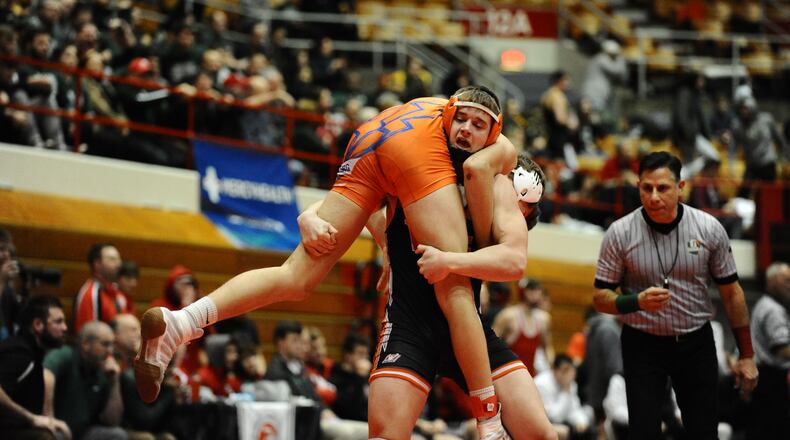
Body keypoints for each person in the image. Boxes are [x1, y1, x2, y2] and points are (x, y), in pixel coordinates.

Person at [135, 86, 518, 436]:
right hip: (406, 153)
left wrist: (313, 214)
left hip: (370, 137)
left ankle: (182, 321)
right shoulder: (498, 149)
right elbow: (471, 170)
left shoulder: (441, 115)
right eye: (464, 122)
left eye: (476, 125)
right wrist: (475, 246)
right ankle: (488, 420)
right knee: (457, 286)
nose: (466, 130)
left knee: (296, 277)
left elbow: (379, 187)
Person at [299, 153, 557, 439]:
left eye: (522, 213)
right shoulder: (442, 182)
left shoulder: (503, 222)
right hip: (409, 328)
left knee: (541, 435)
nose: (512, 214)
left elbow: (513, 263)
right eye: (514, 202)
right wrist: (310, 214)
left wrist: (448, 261)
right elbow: (355, 191)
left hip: (469, 329)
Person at [592, 151, 758, 439]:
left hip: (695, 342)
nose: (654, 196)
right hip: (642, 344)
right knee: (643, 432)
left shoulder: (709, 229)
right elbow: (600, 297)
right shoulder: (619, 233)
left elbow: (732, 293)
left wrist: (746, 355)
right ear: (639, 186)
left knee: (704, 430)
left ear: (681, 188)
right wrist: (636, 301)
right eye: (646, 188)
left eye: (663, 188)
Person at [264, 320, 367, 440]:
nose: (299, 345)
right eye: (294, 340)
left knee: (368, 431)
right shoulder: (275, 371)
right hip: (302, 423)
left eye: (300, 340)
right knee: (347, 434)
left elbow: (313, 395)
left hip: (316, 417)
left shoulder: (299, 368)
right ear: (281, 343)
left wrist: (325, 410)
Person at [0, 295, 71, 440]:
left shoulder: (34, 353)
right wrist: (32, 419)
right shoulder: (18, 354)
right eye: (59, 322)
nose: (65, 328)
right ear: (38, 324)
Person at [44, 321, 125, 440]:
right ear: (86, 344)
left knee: (117, 435)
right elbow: (45, 374)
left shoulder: (103, 371)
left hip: (84, 432)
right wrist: (48, 418)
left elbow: (112, 421)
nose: (110, 351)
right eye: (105, 344)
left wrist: (114, 383)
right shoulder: (65, 355)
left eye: (112, 345)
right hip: (58, 428)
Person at [747, 261, 790, 439]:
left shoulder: (766, 304)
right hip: (772, 380)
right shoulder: (773, 310)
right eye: (786, 281)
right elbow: (781, 349)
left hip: (766, 377)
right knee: (774, 430)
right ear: (772, 281)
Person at [493, 278, 555, 376]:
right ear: (523, 292)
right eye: (531, 290)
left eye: (538, 291)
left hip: (530, 375)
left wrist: (552, 369)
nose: (535, 295)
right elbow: (491, 345)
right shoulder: (508, 316)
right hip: (508, 375)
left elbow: (547, 347)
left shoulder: (544, 319)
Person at [533, 354, 592, 440]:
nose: (568, 374)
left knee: (587, 428)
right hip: (544, 423)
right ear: (554, 370)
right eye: (564, 370)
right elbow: (554, 417)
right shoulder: (541, 384)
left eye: (569, 370)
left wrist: (581, 421)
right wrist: (565, 391)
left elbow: (574, 408)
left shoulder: (570, 383)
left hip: (563, 420)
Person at [73, 243, 129, 333]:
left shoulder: (116, 289)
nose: (119, 264)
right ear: (97, 264)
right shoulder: (91, 294)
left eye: (119, 259)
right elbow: (89, 335)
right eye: (112, 259)